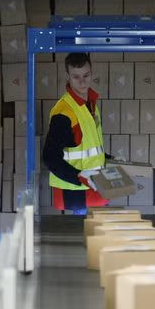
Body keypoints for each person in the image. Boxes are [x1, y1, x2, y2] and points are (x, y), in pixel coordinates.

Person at [43, 53, 112, 214]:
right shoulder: (64, 112)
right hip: (75, 190)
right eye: (76, 77)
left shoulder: (90, 103)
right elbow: (50, 157)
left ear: (92, 73)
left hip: (95, 183)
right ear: (67, 76)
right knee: (83, 235)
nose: (82, 82)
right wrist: (79, 176)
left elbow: (89, 145)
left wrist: (109, 159)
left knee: (98, 235)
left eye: (86, 75)